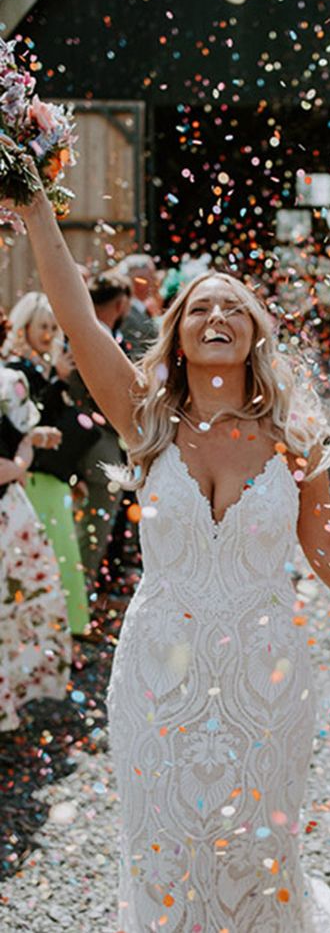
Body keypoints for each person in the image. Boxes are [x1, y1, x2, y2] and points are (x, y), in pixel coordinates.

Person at [3, 150, 330, 932]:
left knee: (257, 849)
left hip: (266, 677)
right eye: (200, 309)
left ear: (256, 333)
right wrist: (36, 204)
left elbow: (327, 549)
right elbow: (77, 316)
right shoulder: (142, 419)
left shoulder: (296, 435)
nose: (218, 318)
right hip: (160, 674)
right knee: (163, 845)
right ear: (177, 333)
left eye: (235, 309)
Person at [0, 306, 72, 732]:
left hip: (8, 511)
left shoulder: (12, 384)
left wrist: (18, 465)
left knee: (13, 607)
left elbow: (24, 437)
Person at [4, 292, 91, 637]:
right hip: (31, 474)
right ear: (23, 327)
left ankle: (63, 628)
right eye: (41, 326)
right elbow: (30, 420)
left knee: (63, 551)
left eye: (53, 327)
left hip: (52, 474)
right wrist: (56, 381)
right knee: (40, 555)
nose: (47, 334)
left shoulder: (43, 365)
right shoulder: (16, 370)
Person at [69, 270, 131, 592]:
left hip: (86, 439)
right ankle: (80, 597)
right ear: (121, 304)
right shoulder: (101, 339)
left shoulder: (80, 332)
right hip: (96, 441)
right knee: (95, 522)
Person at [116, 253, 160, 361]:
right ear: (139, 280)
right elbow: (133, 354)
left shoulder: (138, 309)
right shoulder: (127, 314)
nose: (154, 282)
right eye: (152, 277)